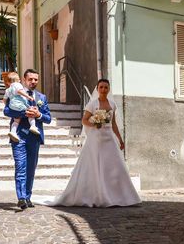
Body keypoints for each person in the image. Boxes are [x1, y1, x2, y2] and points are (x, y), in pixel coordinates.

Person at [39, 78, 141, 207]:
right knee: (96, 165)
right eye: (101, 87)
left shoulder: (113, 104)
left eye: (106, 87)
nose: (103, 89)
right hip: (96, 138)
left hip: (109, 138)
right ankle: (98, 195)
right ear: (97, 89)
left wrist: (120, 139)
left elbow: (113, 123)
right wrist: (94, 123)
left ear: (109, 89)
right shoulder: (92, 104)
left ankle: (119, 196)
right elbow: (84, 120)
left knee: (114, 166)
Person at [3, 69, 51, 210]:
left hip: (34, 137)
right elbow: (6, 111)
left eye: (36, 79)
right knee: (20, 167)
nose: (33, 82)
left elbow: (48, 118)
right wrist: (25, 113)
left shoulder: (42, 97)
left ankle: (28, 197)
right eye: (30, 79)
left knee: (31, 169)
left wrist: (38, 115)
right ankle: (21, 198)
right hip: (18, 136)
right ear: (24, 80)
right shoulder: (15, 91)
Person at [2, 71, 40, 142]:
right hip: (20, 104)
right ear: (20, 80)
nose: (33, 81)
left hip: (12, 105)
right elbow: (19, 91)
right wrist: (28, 97)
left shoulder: (8, 90)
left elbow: (4, 99)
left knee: (16, 120)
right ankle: (33, 126)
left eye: (35, 79)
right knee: (31, 112)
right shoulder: (17, 85)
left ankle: (13, 132)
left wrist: (8, 105)